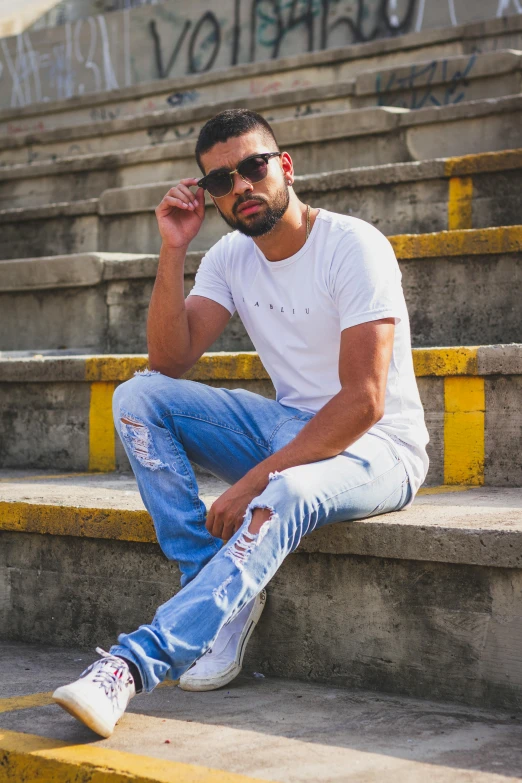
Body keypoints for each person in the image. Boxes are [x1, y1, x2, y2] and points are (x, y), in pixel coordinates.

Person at [53, 108, 429, 738]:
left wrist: (253, 479)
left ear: (283, 165)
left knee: (285, 490)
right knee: (138, 398)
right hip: (292, 427)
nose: (241, 187)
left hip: (379, 448)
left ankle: (132, 664)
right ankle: (214, 588)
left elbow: (363, 401)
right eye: (221, 181)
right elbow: (168, 362)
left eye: (253, 167)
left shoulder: (353, 244)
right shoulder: (230, 255)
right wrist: (174, 249)